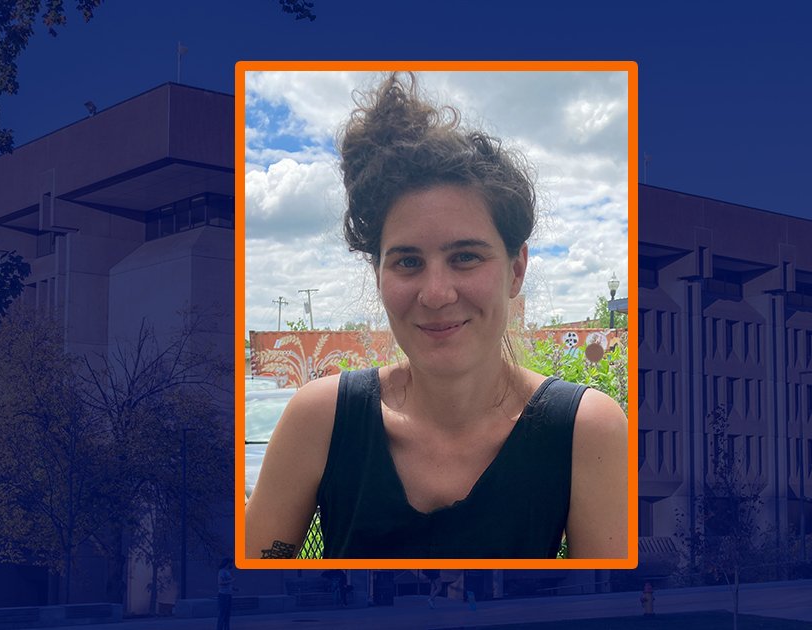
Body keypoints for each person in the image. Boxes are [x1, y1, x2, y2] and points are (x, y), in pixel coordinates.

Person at [245, 72, 627, 559]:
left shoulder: (583, 431)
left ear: (516, 270)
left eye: (465, 257)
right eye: (407, 262)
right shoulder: (320, 419)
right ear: (378, 273)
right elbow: (249, 590)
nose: (437, 292)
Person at [215, 558, 234, 630]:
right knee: (222, 614)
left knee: (227, 614)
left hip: (228, 595)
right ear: (227, 563)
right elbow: (220, 582)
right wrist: (231, 580)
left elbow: (227, 583)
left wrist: (233, 588)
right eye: (230, 563)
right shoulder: (221, 572)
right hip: (223, 595)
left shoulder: (227, 572)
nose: (231, 565)